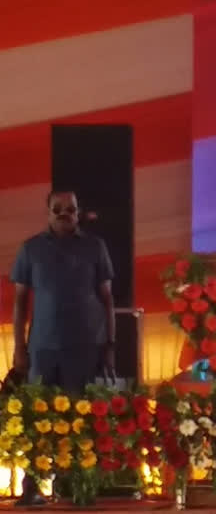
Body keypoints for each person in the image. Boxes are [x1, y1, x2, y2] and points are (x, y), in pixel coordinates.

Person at [11, 191, 117, 506]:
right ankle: (32, 488)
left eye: (69, 209)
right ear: (47, 213)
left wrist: (110, 345)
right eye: (57, 209)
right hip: (42, 347)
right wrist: (19, 347)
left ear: (78, 212)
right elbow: (19, 302)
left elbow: (108, 299)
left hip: (84, 346)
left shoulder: (94, 247)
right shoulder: (31, 249)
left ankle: (78, 488)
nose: (63, 214)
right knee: (36, 417)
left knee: (79, 416)